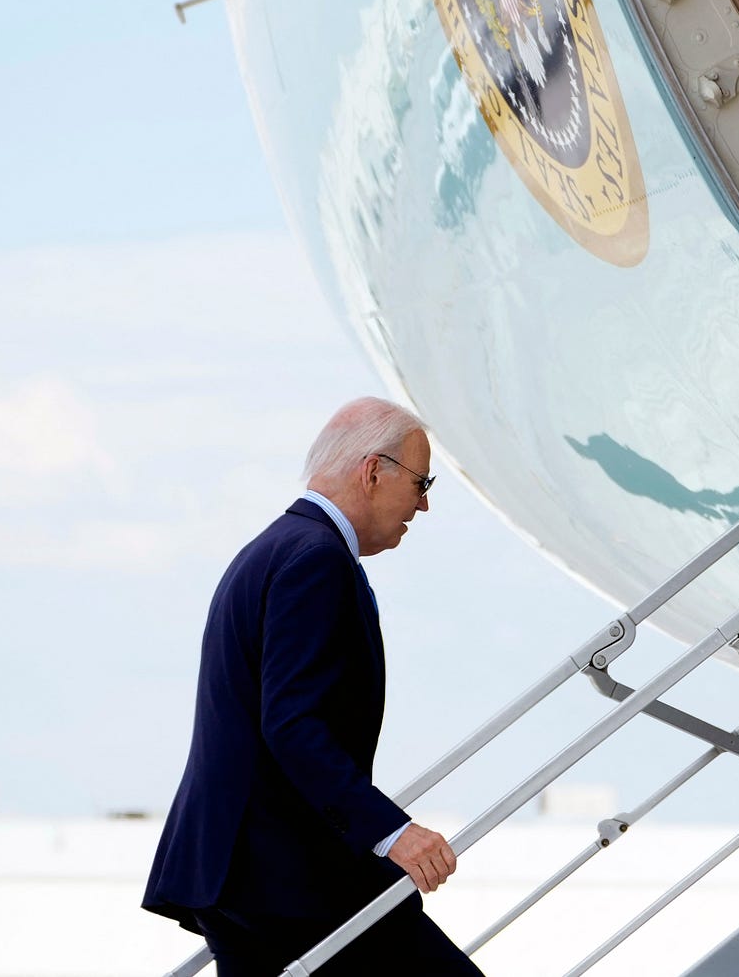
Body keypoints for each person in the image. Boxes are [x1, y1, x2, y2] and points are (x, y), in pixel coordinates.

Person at [143, 397, 486, 976]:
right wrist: (392, 832)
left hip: (237, 870)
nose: (424, 505)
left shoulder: (273, 549)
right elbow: (293, 724)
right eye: (422, 483)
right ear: (374, 471)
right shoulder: (316, 559)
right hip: (284, 873)